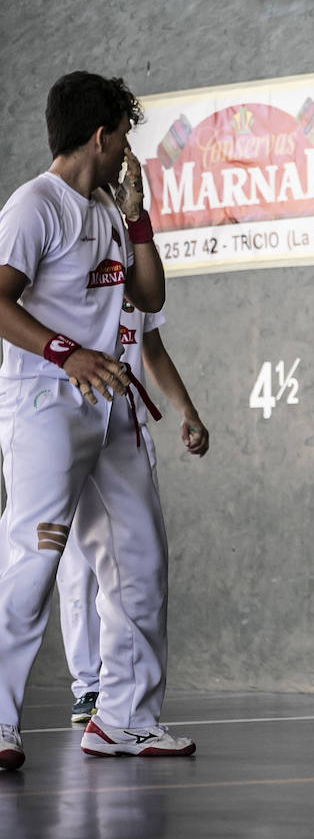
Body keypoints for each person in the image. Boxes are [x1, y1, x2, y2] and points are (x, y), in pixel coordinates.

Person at [0, 71, 194, 770]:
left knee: (141, 558)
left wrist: (139, 216)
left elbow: (147, 295)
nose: (125, 155)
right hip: (45, 406)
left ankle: (124, 719)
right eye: (123, 141)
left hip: (111, 412)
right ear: (99, 134)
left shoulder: (111, 211)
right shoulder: (34, 206)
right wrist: (67, 353)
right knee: (34, 560)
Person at [59, 301, 209, 725]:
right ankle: (88, 685)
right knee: (77, 566)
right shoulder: (70, 271)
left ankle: (120, 692)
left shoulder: (138, 274)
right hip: (70, 428)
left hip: (129, 437)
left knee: (138, 566)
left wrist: (187, 410)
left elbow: (152, 350)